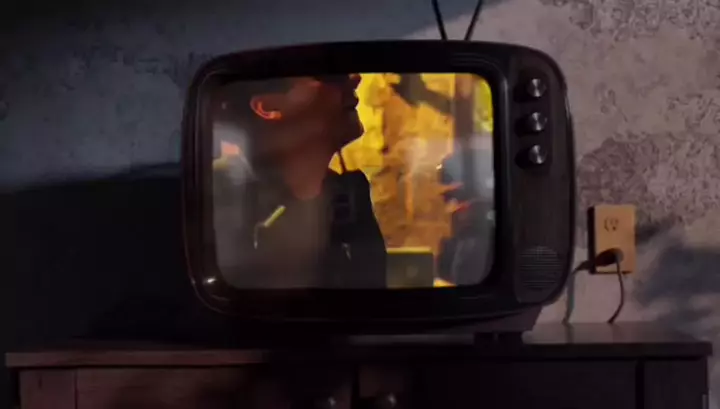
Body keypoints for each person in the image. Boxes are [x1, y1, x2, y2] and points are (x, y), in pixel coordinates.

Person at [212, 74, 387, 289]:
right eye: (331, 74)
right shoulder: (220, 206)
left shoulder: (350, 195)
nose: (355, 78)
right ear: (268, 106)